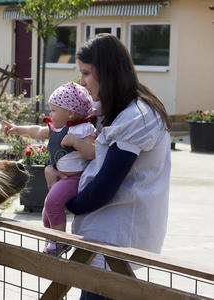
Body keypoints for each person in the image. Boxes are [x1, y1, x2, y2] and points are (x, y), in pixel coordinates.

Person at [57, 33, 172, 300]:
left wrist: (65, 204)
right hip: (103, 238)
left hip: (116, 239)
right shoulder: (119, 109)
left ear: (106, 72)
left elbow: (106, 185)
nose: (81, 82)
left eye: (86, 73)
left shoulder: (138, 116)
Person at [2, 82, 96, 256]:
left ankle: (61, 242)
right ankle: (51, 240)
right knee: (47, 212)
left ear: (70, 112)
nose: (49, 114)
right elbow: (36, 131)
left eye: (53, 110)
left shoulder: (82, 130)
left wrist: (76, 142)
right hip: (60, 177)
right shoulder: (56, 128)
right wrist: (17, 129)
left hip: (74, 179)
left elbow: (92, 152)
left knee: (52, 204)